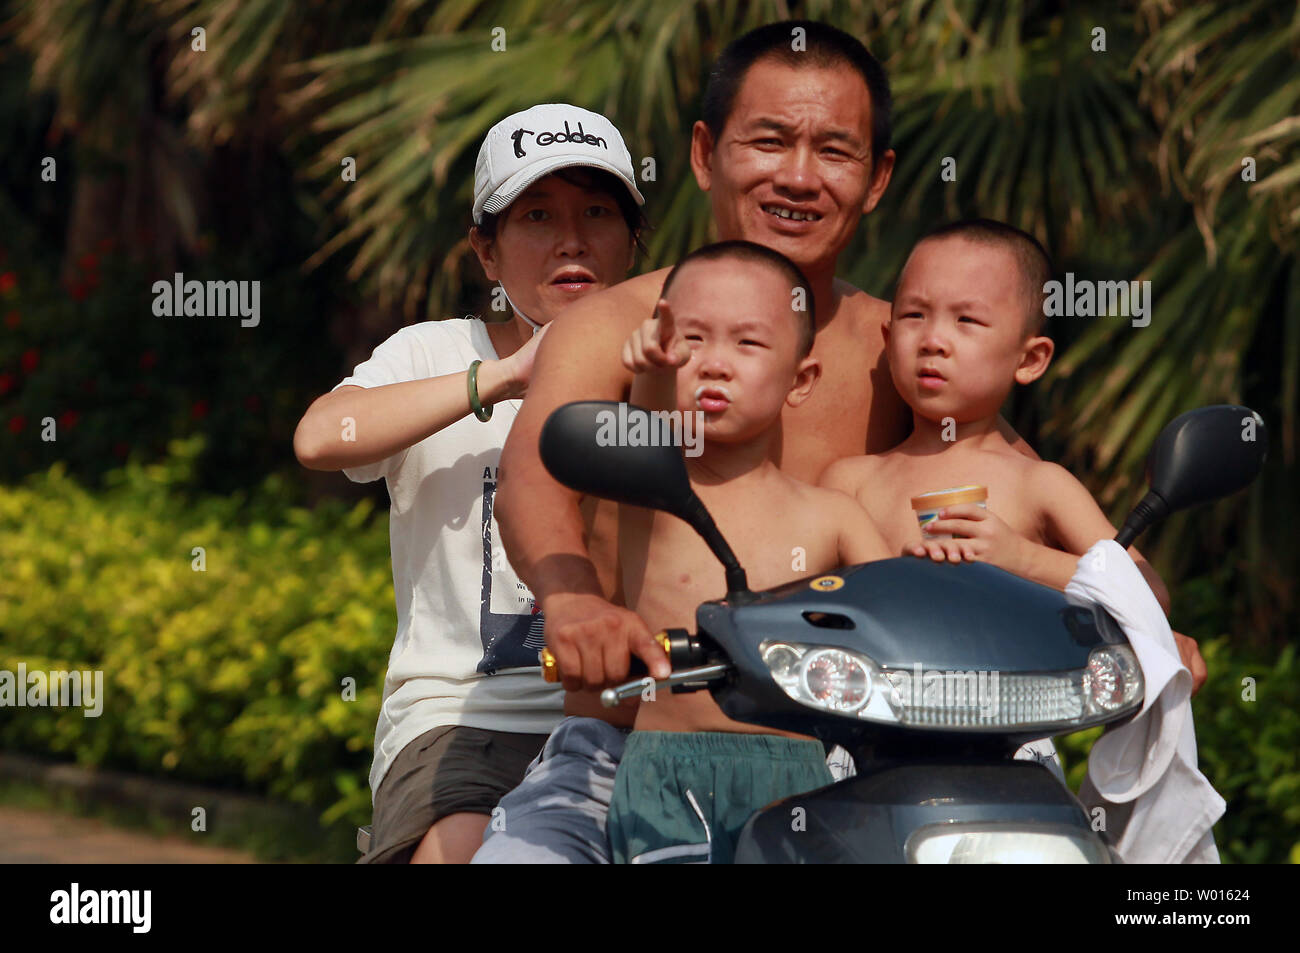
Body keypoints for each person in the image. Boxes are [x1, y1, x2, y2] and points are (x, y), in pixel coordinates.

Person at [474, 21, 1205, 863]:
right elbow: (536, 483)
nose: (798, 175)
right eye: (770, 140)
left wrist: (1140, 622)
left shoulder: (897, 350)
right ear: (707, 154)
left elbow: (1005, 495)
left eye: (834, 150)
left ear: (878, 177)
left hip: (862, 754)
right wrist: (574, 601)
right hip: (627, 747)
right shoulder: (613, 328)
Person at [292, 103, 646, 863]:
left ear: (633, 242)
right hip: (464, 720)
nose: (572, 239)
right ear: (486, 253)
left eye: (597, 211)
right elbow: (321, 435)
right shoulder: (437, 352)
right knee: (461, 843)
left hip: (633, 718)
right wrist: (509, 376)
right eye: (537, 215)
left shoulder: (675, 368)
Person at [607, 240, 892, 864]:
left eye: (748, 343)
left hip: (801, 772)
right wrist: (652, 367)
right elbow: (646, 428)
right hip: (664, 776)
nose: (714, 364)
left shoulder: (831, 516)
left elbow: (897, 625)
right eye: (692, 341)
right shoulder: (652, 492)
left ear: (802, 379)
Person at [819, 220, 1175, 612]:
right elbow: (811, 595)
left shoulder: (1039, 483)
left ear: (1029, 360)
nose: (933, 341)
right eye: (915, 315)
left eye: (967, 320)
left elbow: (1149, 592)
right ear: (888, 341)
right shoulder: (851, 482)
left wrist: (1022, 558)